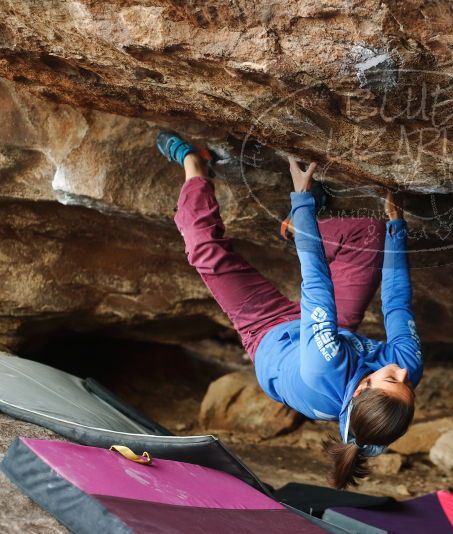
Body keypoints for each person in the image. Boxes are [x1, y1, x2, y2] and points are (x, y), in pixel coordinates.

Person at [157, 131, 423, 488]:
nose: (402, 372)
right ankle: (299, 230)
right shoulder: (402, 375)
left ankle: (194, 165)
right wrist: (396, 226)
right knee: (370, 236)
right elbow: (396, 305)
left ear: (361, 390)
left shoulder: (323, 371)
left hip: (268, 330)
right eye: (409, 386)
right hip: (332, 332)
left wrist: (302, 199)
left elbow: (316, 286)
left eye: (392, 379)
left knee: (206, 252)